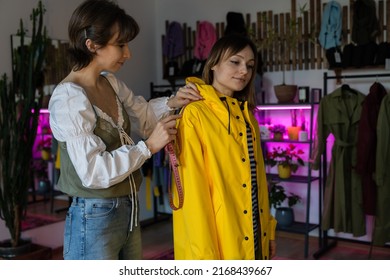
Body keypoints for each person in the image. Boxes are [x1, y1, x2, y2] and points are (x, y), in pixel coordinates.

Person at [48, 0, 201, 260]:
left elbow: (143, 117)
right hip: (93, 216)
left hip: (129, 208)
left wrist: (174, 101)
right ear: (92, 45)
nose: (128, 53)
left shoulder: (110, 82)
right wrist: (149, 147)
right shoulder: (68, 98)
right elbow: (94, 173)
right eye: (121, 44)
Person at [172, 34, 277, 260]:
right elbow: (193, 197)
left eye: (250, 66)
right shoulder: (194, 114)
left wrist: (269, 232)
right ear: (214, 64)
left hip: (255, 234)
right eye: (235, 62)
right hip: (219, 242)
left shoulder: (248, 116)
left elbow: (257, 182)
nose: (244, 71)